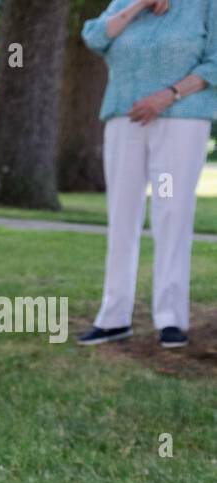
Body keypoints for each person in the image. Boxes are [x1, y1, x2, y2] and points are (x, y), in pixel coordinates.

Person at [80, 0, 217, 349]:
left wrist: (167, 96)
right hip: (125, 122)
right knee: (122, 215)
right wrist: (139, 4)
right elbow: (95, 37)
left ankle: (170, 317)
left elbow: (215, 62)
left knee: (170, 211)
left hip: (177, 123)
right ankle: (113, 317)